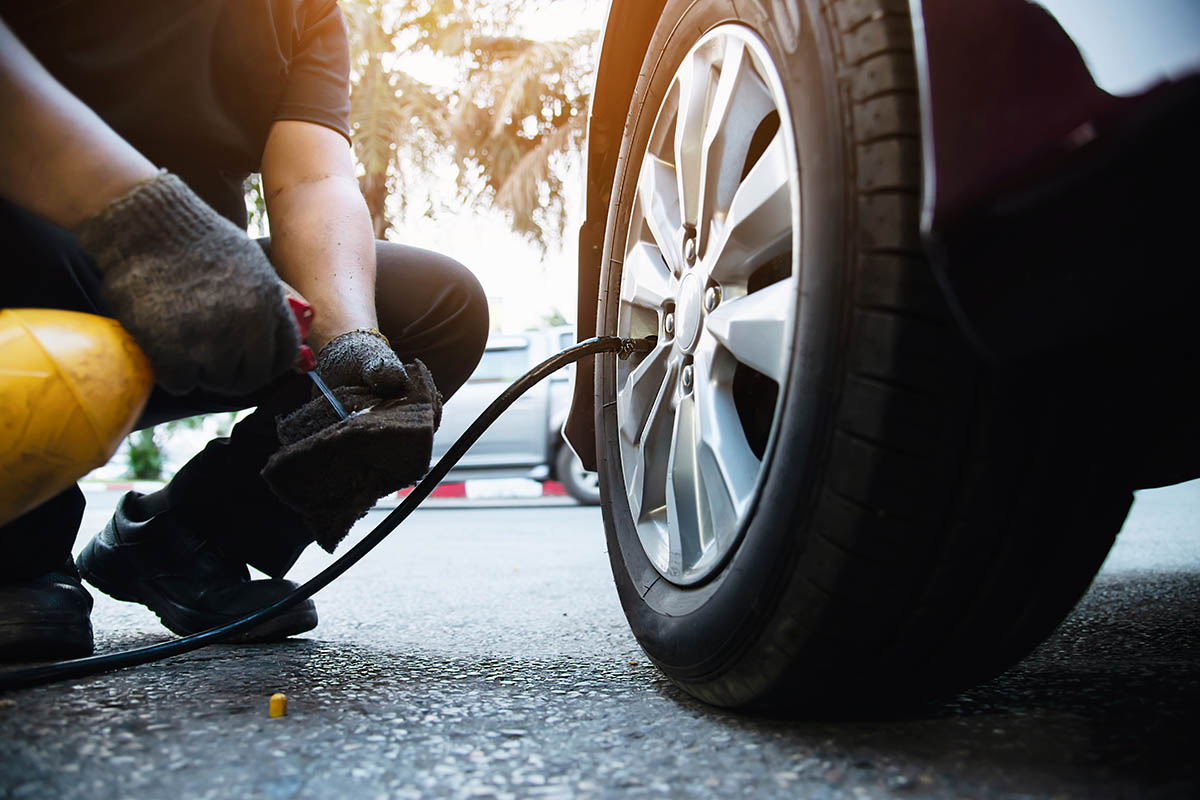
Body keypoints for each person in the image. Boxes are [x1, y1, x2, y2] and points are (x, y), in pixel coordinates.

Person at [0, 0, 489, 659]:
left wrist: (349, 342)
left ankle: (189, 539)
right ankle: (19, 554)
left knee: (437, 306)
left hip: (191, 296)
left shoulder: (302, 12)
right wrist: (143, 224)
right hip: (30, 269)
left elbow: (313, 177)